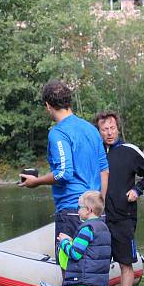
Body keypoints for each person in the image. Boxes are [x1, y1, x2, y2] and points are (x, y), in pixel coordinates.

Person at [20, 80, 109, 258]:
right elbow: (104, 170)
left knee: (68, 268)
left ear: (48, 105)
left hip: (72, 211)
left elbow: (64, 173)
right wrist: (99, 205)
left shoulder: (58, 133)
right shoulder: (91, 129)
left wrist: (36, 181)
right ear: (69, 101)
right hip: (95, 212)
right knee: (93, 265)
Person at [93, 111, 144, 286]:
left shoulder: (129, 151)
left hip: (124, 217)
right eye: (104, 129)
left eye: (112, 128)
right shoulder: (95, 153)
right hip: (99, 218)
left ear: (118, 128)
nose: (109, 133)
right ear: (99, 131)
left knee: (125, 262)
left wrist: (138, 190)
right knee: (96, 262)